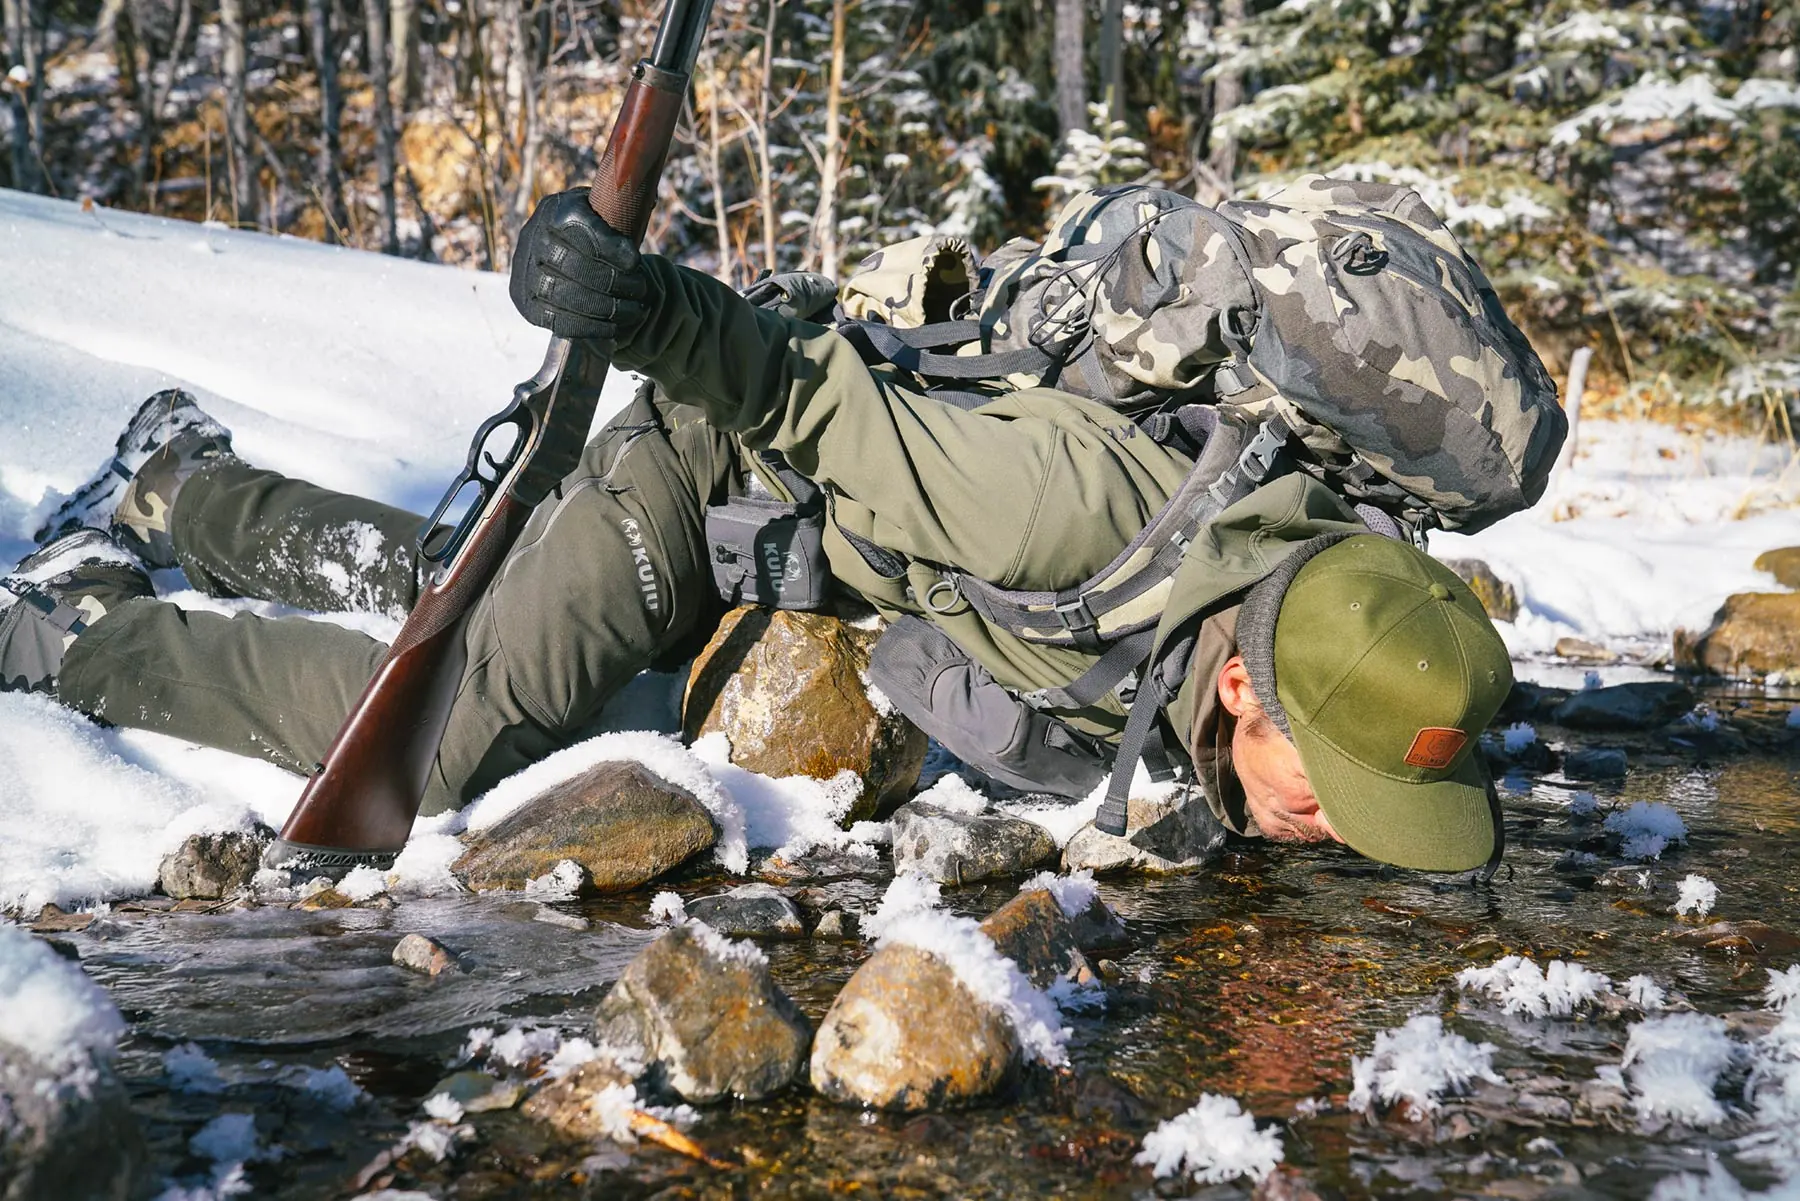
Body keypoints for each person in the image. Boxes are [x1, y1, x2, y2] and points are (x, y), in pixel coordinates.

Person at [0, 187, 1517, 873]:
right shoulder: (1071, 516)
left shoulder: (1339, 586)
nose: (1335, 827)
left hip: (787, 532)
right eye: (1330, 791)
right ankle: (70, 632)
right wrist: (645, 305)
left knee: (468, 585)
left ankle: (181, 489)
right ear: (1243, 687)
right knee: (453, 737)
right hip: (719, 456)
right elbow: (809, 399)